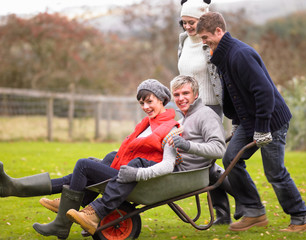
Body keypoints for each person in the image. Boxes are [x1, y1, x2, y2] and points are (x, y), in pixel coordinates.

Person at [0, 79, 180, 239]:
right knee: (88, 165)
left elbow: (163, 161)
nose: (146, 107)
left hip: (136, 178)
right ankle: (16, 187)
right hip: (125, 171)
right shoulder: (147, 124)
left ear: (162, 100)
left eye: (149, 101)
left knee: (84, 166)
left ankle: (61, 221)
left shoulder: (170, 127)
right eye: (142, 103)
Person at [196, 11, 306, 232]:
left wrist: (262, 128)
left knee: (275, 173)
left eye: (205, 37)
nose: (204, 43)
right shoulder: (223, 56)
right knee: (230, 158)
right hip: (250, 122)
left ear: (219, 31)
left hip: (270, 121)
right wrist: (238, 122)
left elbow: (264, 93)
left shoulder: (239, 54)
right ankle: (254, 212)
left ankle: (302, 218)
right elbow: (236, 93)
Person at [67, 75, 228, 235]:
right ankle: (80, 210)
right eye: (177, 95)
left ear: (196, 94)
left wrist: (187, 145)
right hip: (177, 169)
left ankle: (89, 211)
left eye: (185, 93)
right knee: (110, 159)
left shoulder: (206, 115)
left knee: (129, 164)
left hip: (184, 175)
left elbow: (219, 149)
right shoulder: (187, 117)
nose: (181, 98)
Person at [177, 0, 243, 224]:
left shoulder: (212, 42)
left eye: (191, 22)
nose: (187, 26)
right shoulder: (183, 40)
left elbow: (226, 74)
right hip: (190, 107)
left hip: (211, 106)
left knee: (205, 161)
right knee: (205, 164)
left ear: (203, 19)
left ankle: (243, 201)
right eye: (183, 22)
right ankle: (232, 208)